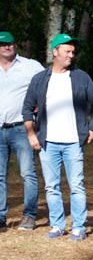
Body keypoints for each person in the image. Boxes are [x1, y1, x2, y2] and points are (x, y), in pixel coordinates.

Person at [22, 34, 93, 241]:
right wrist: (32, 134)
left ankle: (78, 227)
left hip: (74, 142)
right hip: (48, 142)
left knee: (76, 185)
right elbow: (27, 108)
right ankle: (57, 225)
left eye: (73, 52)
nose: (71, 55)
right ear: (55, 52)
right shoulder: (40, 79)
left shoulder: (81, 77)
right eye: (67, 51)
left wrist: (92, 129)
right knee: (51, 186)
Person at [0, 31, 44, 230]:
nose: (6, 47)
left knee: (27, 173)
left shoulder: (30, 66)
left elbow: (48, 83)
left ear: (15, 45)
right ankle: (0, 217)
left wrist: (39, 104)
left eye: (10, 43)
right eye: (2, 44)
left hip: (21, 128)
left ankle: (29, 215)